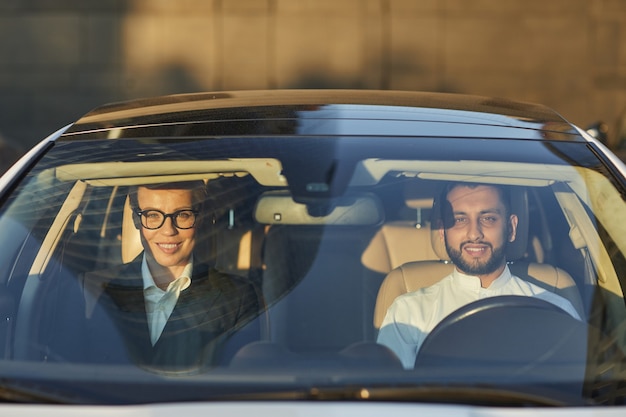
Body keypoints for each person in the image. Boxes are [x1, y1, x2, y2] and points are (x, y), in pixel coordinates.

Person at [376, 182, 580, 369]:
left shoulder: (555, 310)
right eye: (459, 219)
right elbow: (392, 399)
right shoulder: (409, 312)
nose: (474, 234)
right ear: (442, 231)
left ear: (511, 228)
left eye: (488, 218)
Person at [80, 181, 262, 371]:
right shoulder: (93, 289)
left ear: (200, 218)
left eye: (183, 215)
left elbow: (241, 385)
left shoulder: (238, 297)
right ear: (136, 219)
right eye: (152, 215)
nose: (168, 230)